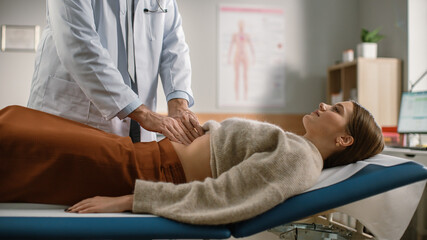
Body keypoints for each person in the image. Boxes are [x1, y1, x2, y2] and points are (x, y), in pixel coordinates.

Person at [0, 101, 384, 225]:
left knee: (14, 138)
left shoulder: (302, 160)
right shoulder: (296, 146)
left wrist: (130, 200)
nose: (323, 105)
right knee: (17, 123)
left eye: (336, 110)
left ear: (344, 139)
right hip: (139, 157)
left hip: (140, 172)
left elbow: (226, 197)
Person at [27, 0, 203, 145]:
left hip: (135, 123)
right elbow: (80, 48)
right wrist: (144, 114)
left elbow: (173, 44)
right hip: (72, 114)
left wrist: (179, 104)